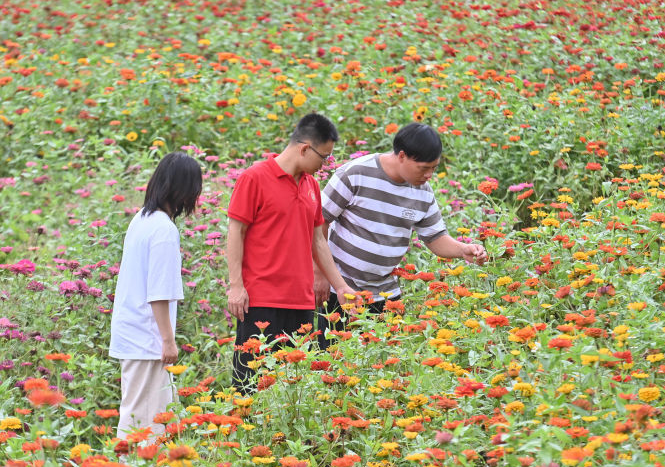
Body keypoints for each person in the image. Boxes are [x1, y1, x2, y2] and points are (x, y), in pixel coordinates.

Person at [226, 112, 356, 392]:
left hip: (300, 302)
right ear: (304, 148)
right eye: (323, 157)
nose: (324, 165)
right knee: (251, 386)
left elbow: (318, 242)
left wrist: (341, 286)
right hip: (261, 300)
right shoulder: (254, 178)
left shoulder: (311, 185)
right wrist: (236, 286)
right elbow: (235, 231)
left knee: (293, 388)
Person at [315, 122, 487, 333]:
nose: (429, 175)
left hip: (386, 296)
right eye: (423, 168)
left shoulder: (422, 191)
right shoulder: (355, 174)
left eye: (434, 168)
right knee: (336, 357)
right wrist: (320, 273)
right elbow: (319, 221)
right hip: (342, 291)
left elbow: (435, 237)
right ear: (402, 156)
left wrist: (463, 250)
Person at [109, 151, 202, 439]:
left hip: (134, 333)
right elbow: (159, 293)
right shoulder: (163, 229)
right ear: (184, 190)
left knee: (151, 417)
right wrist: (168, 341)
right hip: (147, 340)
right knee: (143, 425)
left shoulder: (142, 219)